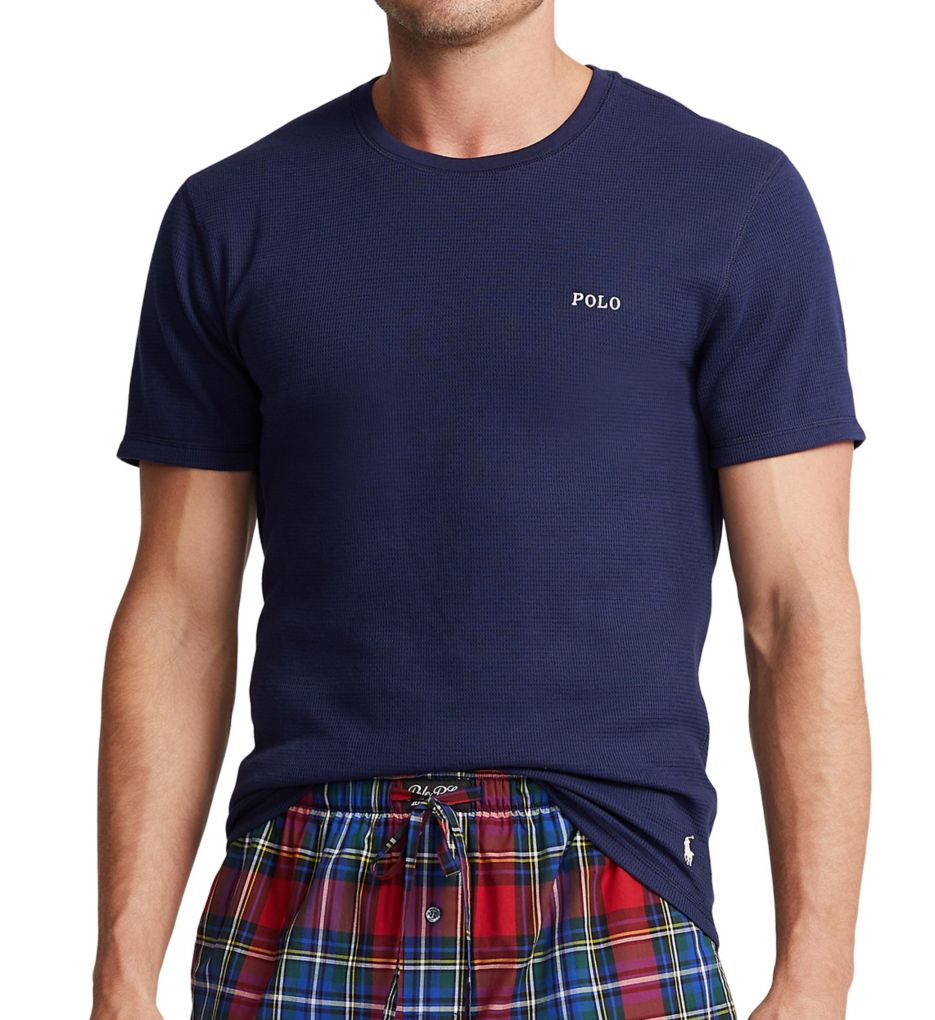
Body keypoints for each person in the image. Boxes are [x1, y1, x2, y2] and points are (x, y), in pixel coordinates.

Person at [92, 2, 870, 1018]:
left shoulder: (727, 201)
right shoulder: (234, 215)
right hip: (306, 876)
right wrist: (121, 976)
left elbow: (795, 608)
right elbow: (179, 612)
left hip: (605, 877)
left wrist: (815, 979)